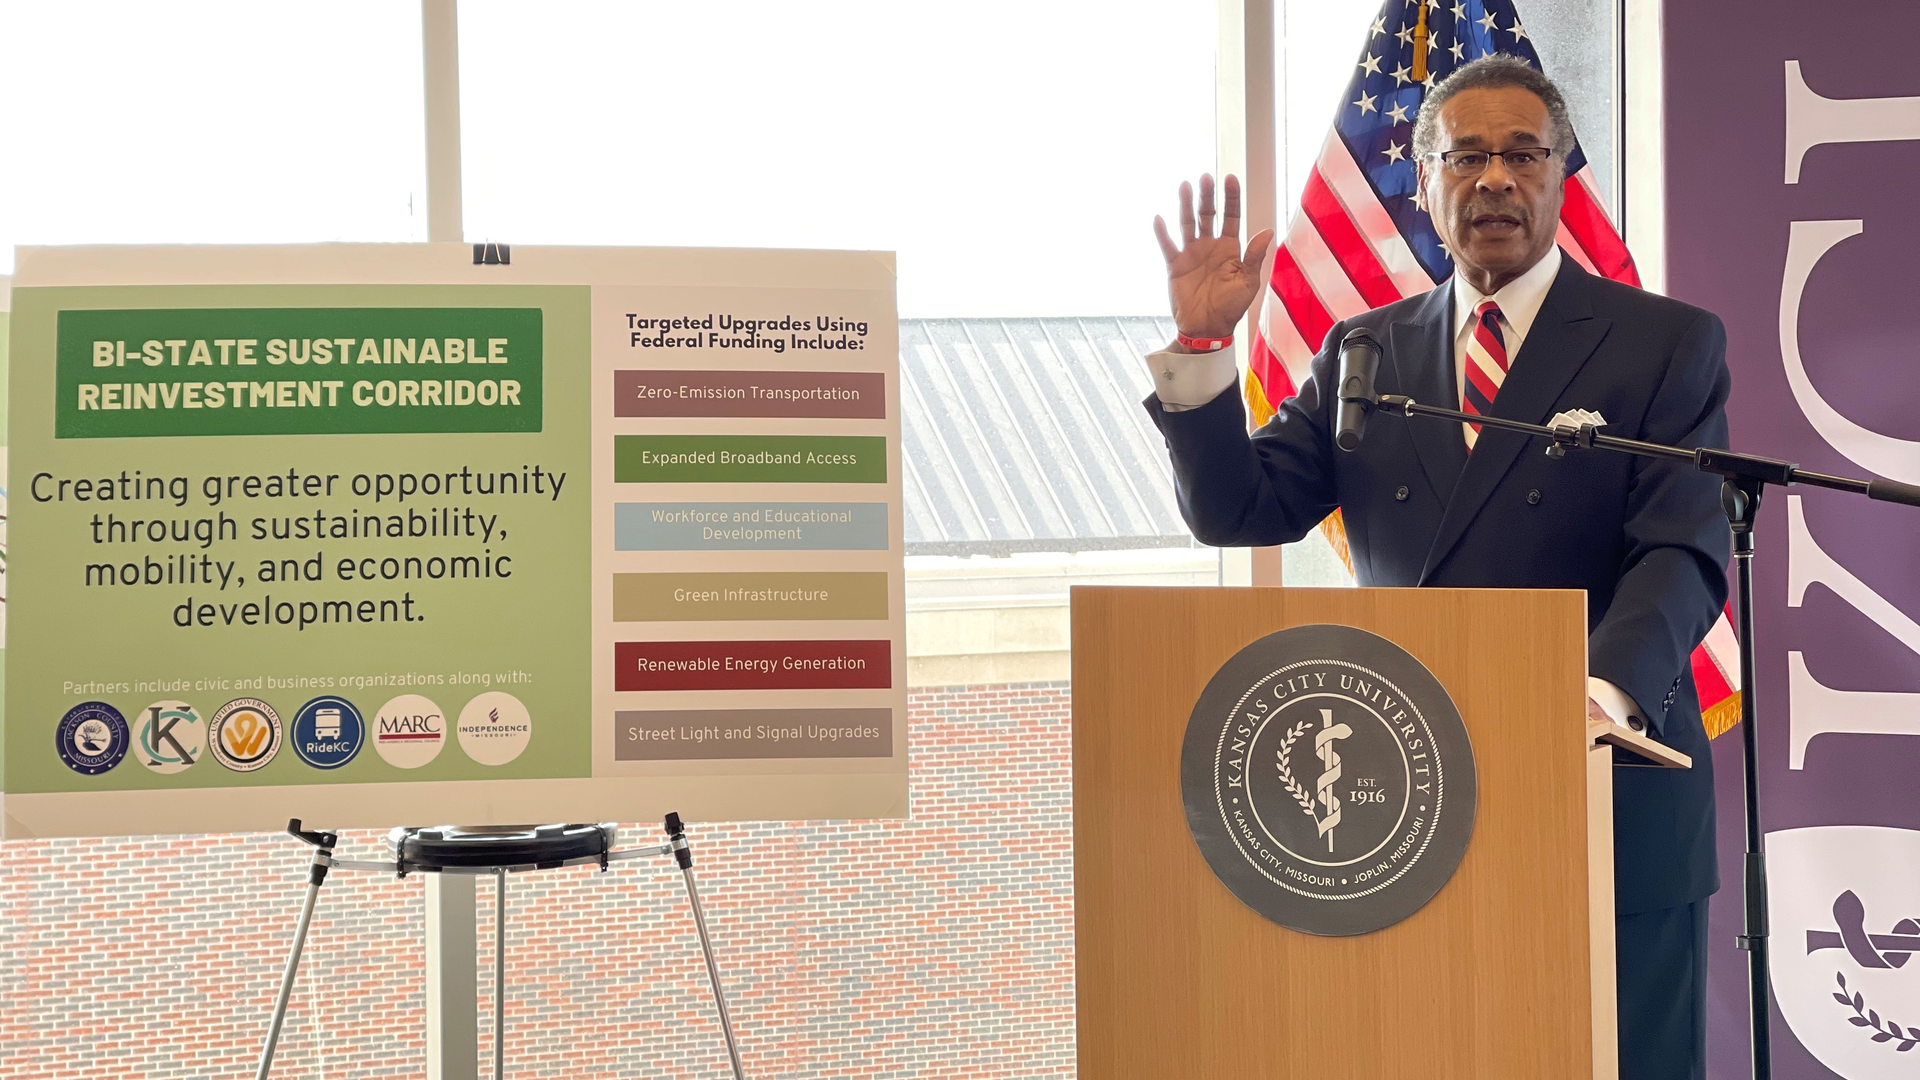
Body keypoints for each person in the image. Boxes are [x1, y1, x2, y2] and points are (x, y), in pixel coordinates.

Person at [1145, 55, 1728, 1080]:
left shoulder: (1666, 343)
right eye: (1465, 157)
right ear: (1425, 182)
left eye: (1521, 154)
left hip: (1605, 788)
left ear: (1559, 176)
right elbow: (1243, 509)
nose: (1494, 179)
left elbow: (1680, 549)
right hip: (1417, 801)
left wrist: (1595, 700)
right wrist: (1203, 346)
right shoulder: (1365, 349)